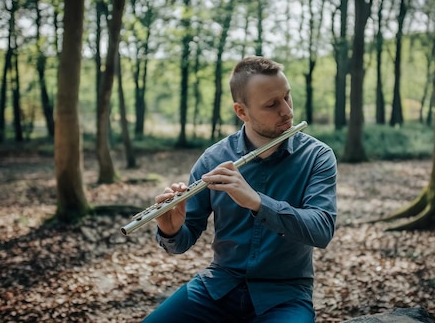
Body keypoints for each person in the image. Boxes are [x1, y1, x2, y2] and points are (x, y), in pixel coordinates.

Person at [141, 56, 337, 323]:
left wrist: (257, 202)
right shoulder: (213, 159)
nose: (287, 111)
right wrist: (170, 228)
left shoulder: (317, 156)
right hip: (218, 287)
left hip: (284, 295)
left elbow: (321, 229)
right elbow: (181, 243)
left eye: (287, 98)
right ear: (241, 112)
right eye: (272, 104)